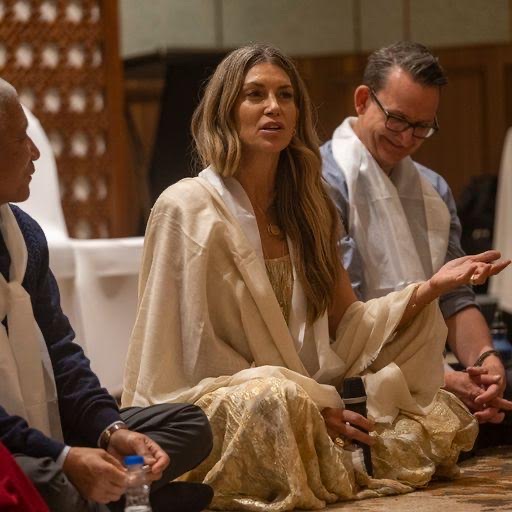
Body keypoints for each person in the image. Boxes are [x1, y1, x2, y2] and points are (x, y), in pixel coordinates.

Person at [122, 44, 509, 511]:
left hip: (306, 392)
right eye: (255, 94)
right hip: (218, 401)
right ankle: (317, 434)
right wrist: (308, 403)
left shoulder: (310, 207)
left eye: (285, 95)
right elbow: (187, 355)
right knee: (273, 400)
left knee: (422, 389)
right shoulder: (185, 208)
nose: (273, 106)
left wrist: (431, 289)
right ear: (226, 110)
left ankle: (321, 431)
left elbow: (349, 324)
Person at [0, 77, 213, 512]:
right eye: (21, 138)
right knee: (46, 480)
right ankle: (122, 499)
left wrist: (111, 431)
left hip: (50, 434)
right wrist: (64, 457)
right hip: (11, 449)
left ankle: (105, 498)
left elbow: (62, 354)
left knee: (190, 424)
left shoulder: (25, 236)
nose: (35, 152)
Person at [320, 41, 512, 426]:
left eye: (422, 126)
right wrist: (439, 377)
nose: (407, 139)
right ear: (363, 100)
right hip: (346, 378)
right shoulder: (322, 181)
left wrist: (485, 362)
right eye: (397, 120)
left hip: (426, 368)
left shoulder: (433, 190)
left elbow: (454, 297)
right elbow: (346, 318)